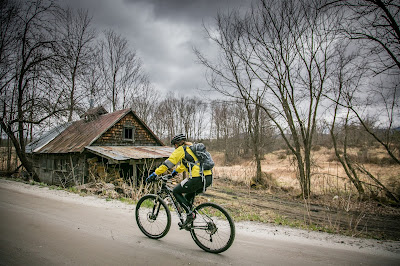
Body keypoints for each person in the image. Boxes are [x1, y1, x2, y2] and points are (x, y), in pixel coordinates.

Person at [146, 133, 213, 228]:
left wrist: (155, 174)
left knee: (176, 191)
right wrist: (173, 173)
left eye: (174, 145)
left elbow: (168, 163)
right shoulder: (190, 148)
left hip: (197, 178)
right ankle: (189, 221)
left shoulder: (180, 150)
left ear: (176, 144)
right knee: (187, 198)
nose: (174, 147)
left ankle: (190, 215)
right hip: (208, 178)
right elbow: (184, 165)